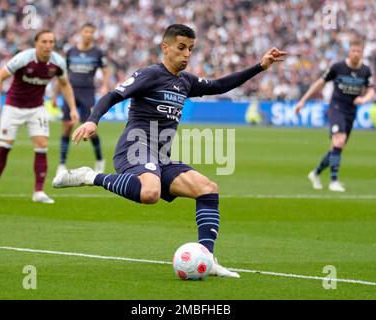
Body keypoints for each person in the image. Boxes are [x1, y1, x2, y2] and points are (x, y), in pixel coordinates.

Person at [52, 24, 286, 277]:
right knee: (150, 192)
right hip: (134, 148)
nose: (187, 54)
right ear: (165, 48)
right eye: (181, 47)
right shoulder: (149, 74)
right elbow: (113, 95)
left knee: (207, 188)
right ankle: (90, 176)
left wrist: (260, 66)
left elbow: (219, 86)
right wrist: (92, 120)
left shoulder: (186, 81)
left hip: (160, 157)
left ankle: (207, 258)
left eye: (191, 49)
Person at [0, 30, 79, 204]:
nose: (48, 45)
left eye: (51, 42)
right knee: (5, 146)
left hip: (36, 108)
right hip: (13, 107)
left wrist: (73, 108)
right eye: (44, 42)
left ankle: (38, 192)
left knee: (42, 145)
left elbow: (65, 85)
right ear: (36, 43)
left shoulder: (58, 62)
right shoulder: (23, 58)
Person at [295, 37, 375, 192]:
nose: (356, 53)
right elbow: (320, 83)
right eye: (354, 50)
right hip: (336, 107)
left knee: (337, 147)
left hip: (351, 111)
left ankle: (315, 173)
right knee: (339, 141)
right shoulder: (338, 67)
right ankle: (333, 181)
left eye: (359, 51)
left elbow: (371, 90)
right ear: (349, 51)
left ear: (362, 53)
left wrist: (364, 99)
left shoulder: (366, 71)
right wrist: (303, 100)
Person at [54, 23, 111, 175]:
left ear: (94, 35)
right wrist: (54, 95)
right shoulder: (70, 51)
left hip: (88, 92)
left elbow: (106, 70)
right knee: (67, 126)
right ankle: (61, 163)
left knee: (90, 129)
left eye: (91, 32)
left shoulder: (98, 52)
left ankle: (99, 159)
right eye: (86, 31)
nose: (88, 34)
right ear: (81, 32)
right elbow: (61, 76)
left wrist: (105, 85)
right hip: (70, 92)